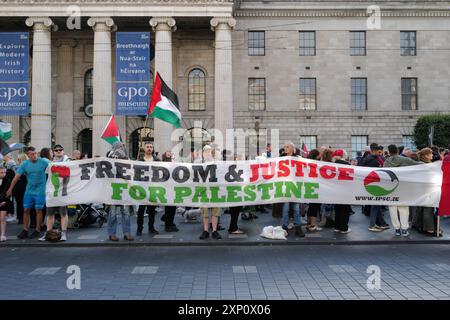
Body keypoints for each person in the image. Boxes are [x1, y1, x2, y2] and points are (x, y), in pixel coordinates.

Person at [6, 147, 50, 239]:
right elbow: (16, 177)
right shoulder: (24, 164)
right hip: (29, 191)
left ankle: (37, 230)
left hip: (40, 191)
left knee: (38, 210)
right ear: (28, 155)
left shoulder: (43, 162)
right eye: (32, 154)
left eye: (35, 153)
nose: (34, 155)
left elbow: (54, 169)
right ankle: (25, 230)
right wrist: (10, 189)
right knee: (26, 210)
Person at [383, 144, 421, 237]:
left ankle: (396, 229)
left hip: (391, 188)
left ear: (389, 151)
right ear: (397, 151)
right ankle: (404, 229)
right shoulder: (404, 160)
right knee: (404, 208)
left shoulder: (386, 162)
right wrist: (432, 165)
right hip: (403, 187)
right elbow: (418, 164)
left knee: (392, 208)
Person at [39, 144, 70, 242]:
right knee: (50, 214)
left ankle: (64, 233)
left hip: (63, 190)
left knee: (63, 213)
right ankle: (48, 233)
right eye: (56, 150)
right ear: (53, 152)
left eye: (60, 150)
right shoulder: (50, 162)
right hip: (52, 190)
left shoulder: (68, 161)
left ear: (63, 151)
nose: (58, 151)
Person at [107, 141, 134, 241]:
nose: (122, 147)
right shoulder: (109, 156)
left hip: (124, 187)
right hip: (113, 188)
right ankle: (111, 233)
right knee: (113, 213)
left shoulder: (127, 157)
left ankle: (127, 233)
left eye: (123, 146)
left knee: (125, 212)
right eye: (121, 146)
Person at [361, 143, 389, 232]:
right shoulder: (373, 160)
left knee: (376, 205)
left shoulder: (369, 158)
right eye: (378, 151)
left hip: (372, 184)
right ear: (374, 151)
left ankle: (381, 223)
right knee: (375, 205)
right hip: (374, 184)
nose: (380, 153)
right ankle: (372, 225)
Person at [280, 142, 304, 237]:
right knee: (285, 208)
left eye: (287, 147)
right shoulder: (281, 158)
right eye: (284, 146)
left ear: (292, 148)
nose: (285, 148)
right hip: (285, 186)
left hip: (295, 186)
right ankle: (284, 227)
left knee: (296, 208)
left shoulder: (297, 158)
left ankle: (298, 227)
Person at [412, 148, 437, 236]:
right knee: (428, 208)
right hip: (427, 189)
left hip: (424, 189)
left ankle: (416, 224)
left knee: (421, 208)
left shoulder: (424, 164)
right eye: (431, 154)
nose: (432, 155)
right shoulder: (425, 165)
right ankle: (428, 228)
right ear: (426, 155)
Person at [136, 142, 159, 236]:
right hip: (142, 188)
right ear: (144, 149)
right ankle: (139, 229)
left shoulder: (157, 160)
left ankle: (151, 228)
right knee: (141, 211)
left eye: (151, 147)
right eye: (147, 147)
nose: (149, 148)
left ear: (153, 149)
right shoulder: (140, 161)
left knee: (152, 211)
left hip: (153, 188)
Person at [199, 145, 222, 240]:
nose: (207, 153)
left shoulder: (217, 163)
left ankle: (214, 230)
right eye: (206, 151)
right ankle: (205, 230)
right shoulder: (199, 163)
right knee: (205, 212)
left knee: (215, 212)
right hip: (203, 190)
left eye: (209, 151)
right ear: (203, 153)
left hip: (215, 190)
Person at [332, 149, 353, 234]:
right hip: (345, 189)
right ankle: (344, 228)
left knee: (337, 208)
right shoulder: (347, 164)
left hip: (335, 189)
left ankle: (337, 226)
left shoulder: (332, 164)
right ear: (344, 155)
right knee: (345, 209)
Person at [161, 150, 179, 232]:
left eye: (170, 152)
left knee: (173, 207)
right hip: (166, 189)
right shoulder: (162, 164)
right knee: (169, 207)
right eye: (167, 152)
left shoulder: (173, 163)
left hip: (172, 188)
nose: (169, 153)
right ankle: (168, 225)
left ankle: (170, 221)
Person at [306, 149, 322, 232]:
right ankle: (313, 225)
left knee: (311, 206)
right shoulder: (317, 164)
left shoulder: (307, 162)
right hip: (315, 186)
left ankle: (309, 223)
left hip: (309, 186)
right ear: (316, 156)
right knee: (314, 206)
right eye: (319, 155)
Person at [13, 153, 28, 225]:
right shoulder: (26, 166)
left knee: (19, 203)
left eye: (18, 159)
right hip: (24, 186)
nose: (17, 160)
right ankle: (22, 218)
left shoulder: (16, 167)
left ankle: (20, 218)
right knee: (22, 202)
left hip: (16, 186)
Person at [0, 167, 14, 241]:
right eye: (1, 172)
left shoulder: (8, 181)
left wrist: (5, 201)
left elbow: (9, 193)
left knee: (2, 219)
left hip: (4, 202)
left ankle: (2, 235)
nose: (4, 174)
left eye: (4, 172)